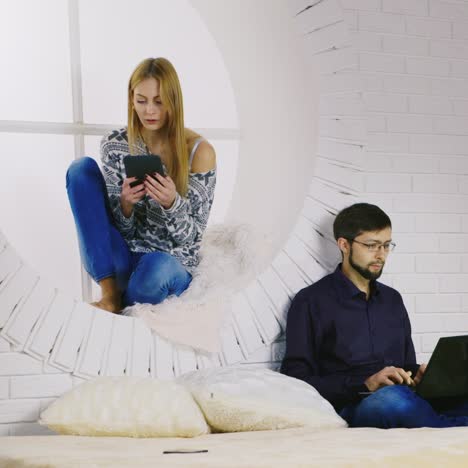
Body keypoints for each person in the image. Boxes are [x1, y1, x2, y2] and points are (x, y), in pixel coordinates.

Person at [281, 203, 468, 428]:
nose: (381, 255)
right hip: (356, 404)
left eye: (387, 245)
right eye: (372, 245)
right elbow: (295, 379)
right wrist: (365, 383)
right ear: (344, 244)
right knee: (392, 402)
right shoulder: (310, 301)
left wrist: (420, 375)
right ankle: (447, 428)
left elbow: (405, 364)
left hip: (406, 396)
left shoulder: (393, 299)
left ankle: (439, 425)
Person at [66, 57, 216, 313]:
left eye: (159, 101)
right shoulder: (114, 143)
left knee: (156, 268)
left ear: (173, 101)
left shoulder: (199, 152)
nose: (150, 111)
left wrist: (172, 204)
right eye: (141, 100)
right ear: (131, 100)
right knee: (80, 170)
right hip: (124, 257)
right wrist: (125, 205)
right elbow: (120, 230)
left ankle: (130, 300)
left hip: (170, 262)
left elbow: (193, 238)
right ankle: (111, 294)